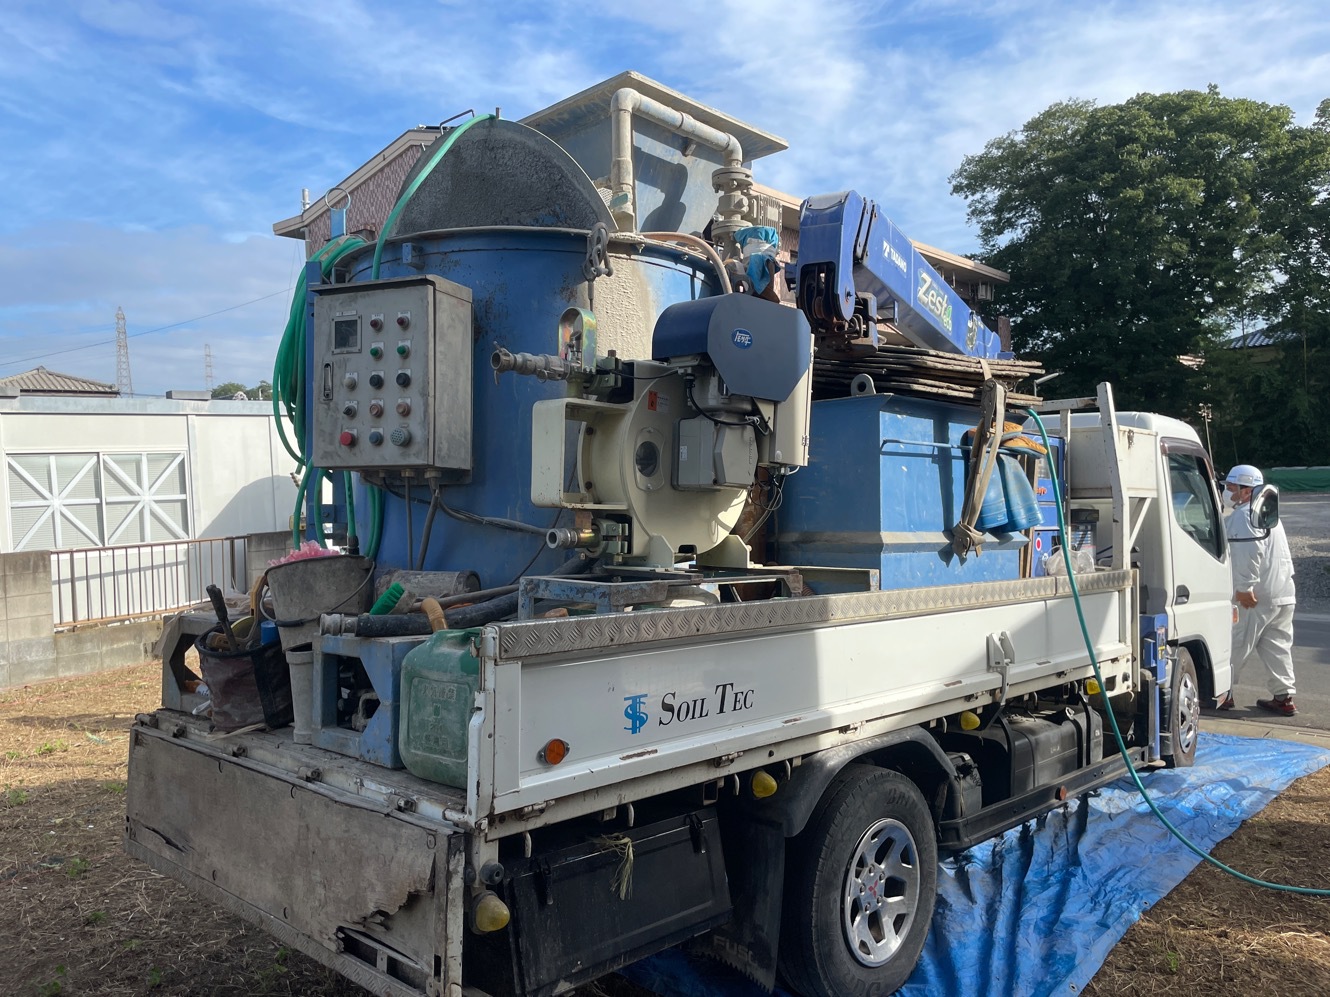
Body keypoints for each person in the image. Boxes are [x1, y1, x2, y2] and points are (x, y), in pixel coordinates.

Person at [1218, 464, 1297, 715]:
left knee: (1236, 642)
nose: (1227, 491)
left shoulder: (1244, 516)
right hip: (1282, 592)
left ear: (1246, 491)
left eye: (1231, 487)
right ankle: (1284, 697)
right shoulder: (1268, 514)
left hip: (1256, 595)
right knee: (1277, 646)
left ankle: (1223, 694)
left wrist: (1244, 588)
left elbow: (1249, 552)